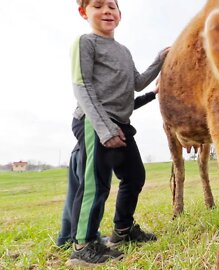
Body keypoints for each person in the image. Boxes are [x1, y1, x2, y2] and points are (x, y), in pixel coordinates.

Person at [63, 0, 169, 266]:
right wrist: (104, 128)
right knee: (95, 185)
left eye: (112, 6)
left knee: (135, 176)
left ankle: (122, 231)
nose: (107, 11)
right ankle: (83, 246)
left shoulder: (123, 50)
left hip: (119, 123)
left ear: (120, 15)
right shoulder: (86, 43)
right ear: (83, 12)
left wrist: (159, 61)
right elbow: (82, 86)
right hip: (93, 122)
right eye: (98, 6)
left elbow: (137, 83)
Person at [56, 89, 160, 250]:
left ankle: (74, 237)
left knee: (83, 190)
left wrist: (152, 94)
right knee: (89, 189)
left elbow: (125, 106)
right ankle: (71, 241)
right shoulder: (94, 90)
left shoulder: (114, 100)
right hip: (88, 143)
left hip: (91, 141)